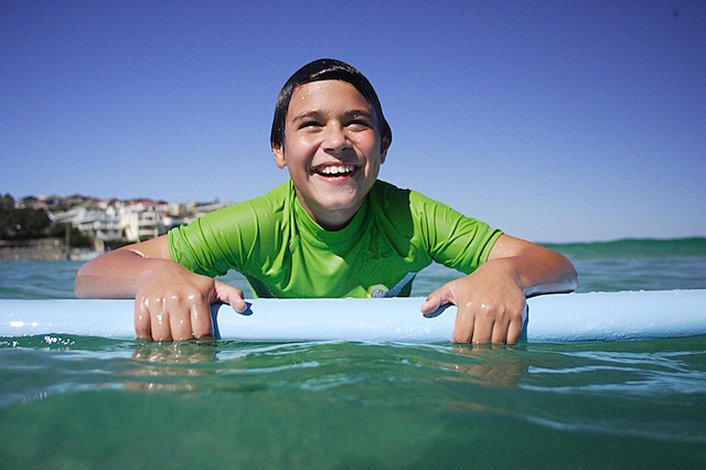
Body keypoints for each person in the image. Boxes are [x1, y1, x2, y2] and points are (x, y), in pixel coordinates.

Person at [75, 58, 577, 343]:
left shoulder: (412, 217)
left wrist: (507, 274)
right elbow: (94, 275)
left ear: (383, 145)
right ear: (279, 150)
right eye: (311, 125)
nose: (336, 141)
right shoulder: (257, 225)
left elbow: (556, 266)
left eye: (356, 123)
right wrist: (153, 276)